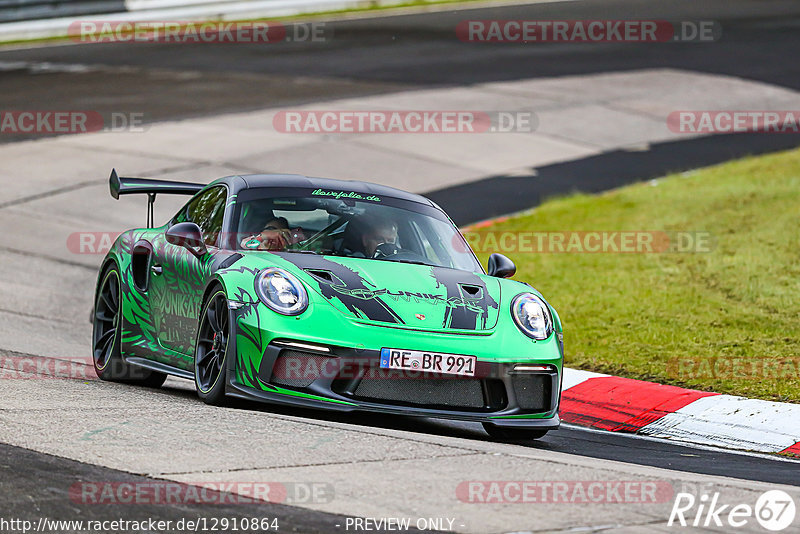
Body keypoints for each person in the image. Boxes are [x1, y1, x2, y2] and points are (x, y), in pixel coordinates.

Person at [240, 217, 305, 251]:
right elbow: (244, 244)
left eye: (280, 232)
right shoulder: (255, 250)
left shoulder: (290, 252)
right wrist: (262, 237)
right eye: (270, 229)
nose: (274, 234)